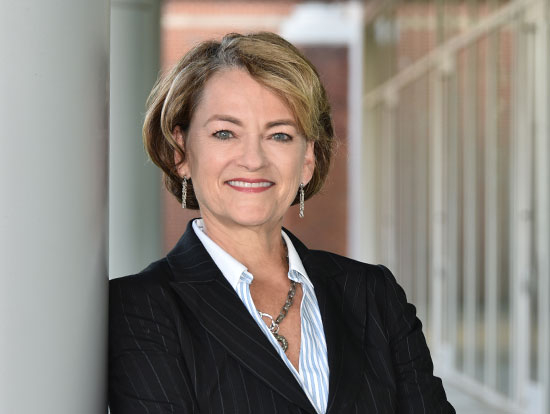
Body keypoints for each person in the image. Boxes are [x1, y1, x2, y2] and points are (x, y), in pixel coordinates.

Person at [108, 32, 455, 414]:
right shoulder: (139, 309)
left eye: (279, 135)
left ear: (307, 159)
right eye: (225, 133)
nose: (253, 159)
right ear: (182, 153)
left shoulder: (375, 295)